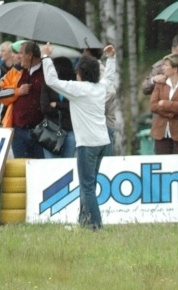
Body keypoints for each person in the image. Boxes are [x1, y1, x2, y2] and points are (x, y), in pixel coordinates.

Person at [40, 42, 117, 230]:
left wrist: (46, 57)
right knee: (90, 183)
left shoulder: (78, 89)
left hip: (87, 144)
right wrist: (111, 58)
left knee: (87, 186)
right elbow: (109, 76)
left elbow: (51, 81)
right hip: (102, 141)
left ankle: (96, 225)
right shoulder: (100, 87)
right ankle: (84, 221)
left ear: (80, 74)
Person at [9, 41, 46, 159]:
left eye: (21, 53)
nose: (19, 57)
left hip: (40, 131)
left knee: (39, 166)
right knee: (20, 166)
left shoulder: (46, 72)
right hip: (19, 130)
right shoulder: (15, 72)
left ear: (30, 55)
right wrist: (17, 91)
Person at [39, 57, 77, 159]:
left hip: (70, 129)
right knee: (51, 163)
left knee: (68, 162)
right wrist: (63, 110)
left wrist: (57, 105)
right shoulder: (48, 83)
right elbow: (44, 107)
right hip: (51, 129)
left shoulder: (74, 85)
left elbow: (75, 106)